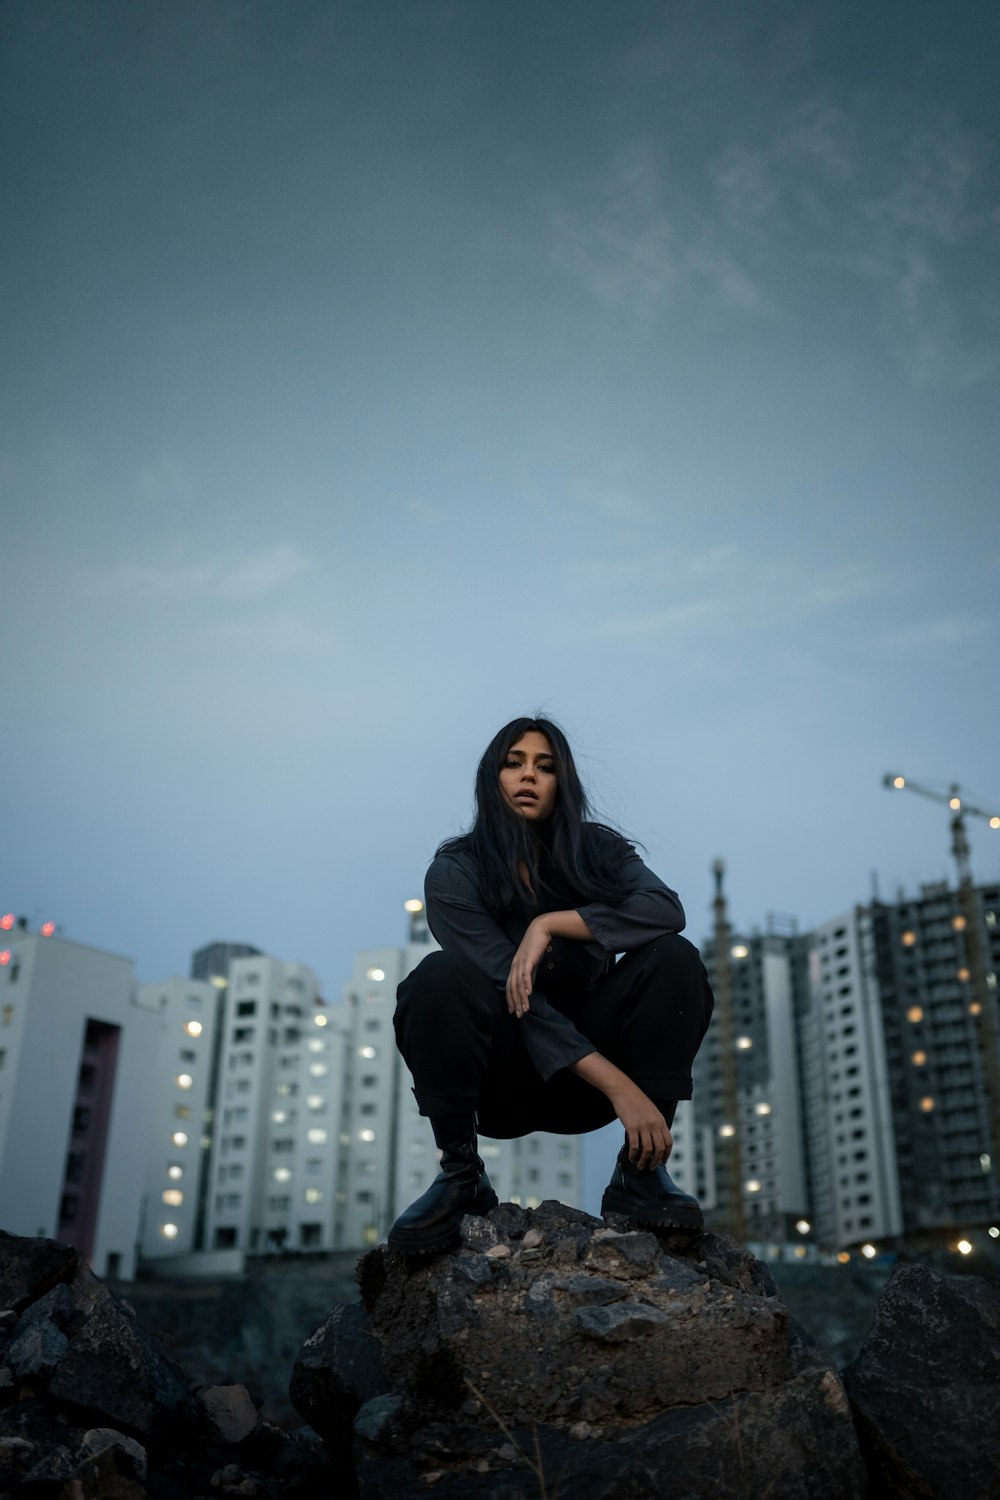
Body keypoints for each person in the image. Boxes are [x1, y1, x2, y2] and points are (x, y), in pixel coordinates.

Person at [389, 716, 714, 1254]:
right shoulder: (455, 870)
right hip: (502, 1083)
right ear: (490, 778)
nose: (528, 777)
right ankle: (461, 1174)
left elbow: (665, 910)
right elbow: (520, 1001)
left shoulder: (599, 850)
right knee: (437, 976)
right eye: (513, 763)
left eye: (545, 767)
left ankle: (641, 1170)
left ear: (563, 783)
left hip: (580, 1091)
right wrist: (621, 1087)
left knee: (674, 958)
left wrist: (551, 924)